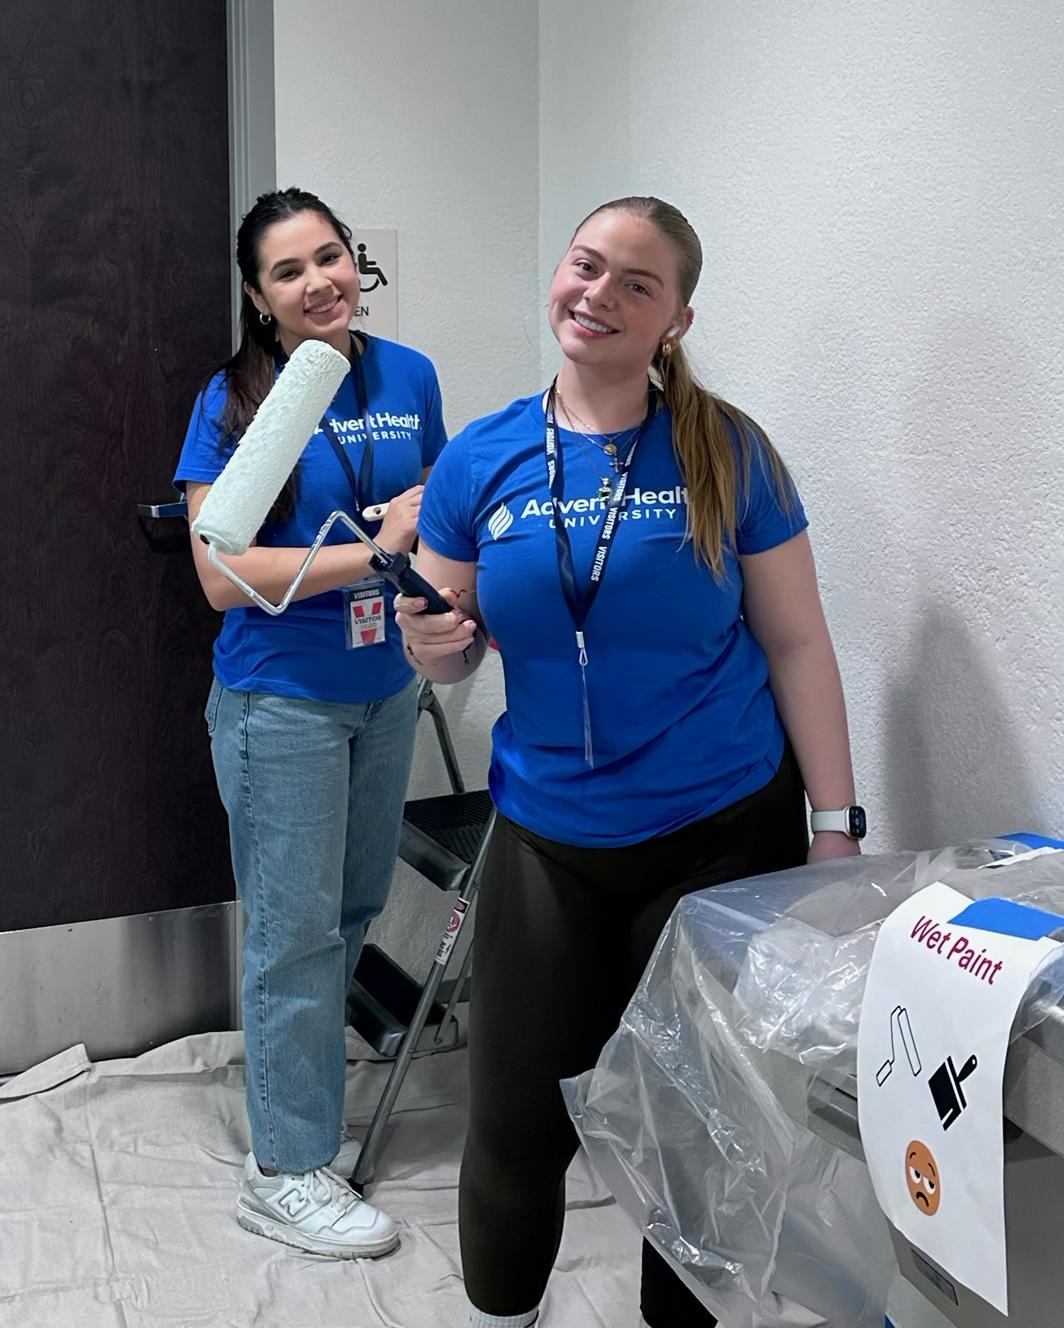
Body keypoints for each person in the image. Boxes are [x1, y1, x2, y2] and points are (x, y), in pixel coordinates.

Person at [395, 196, 864, 1328]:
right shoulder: (481, 456)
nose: (597, 295)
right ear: (557, 274)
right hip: (549, 831)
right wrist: (431, 641)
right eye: (584, 266)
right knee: (512, 1122)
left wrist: (835, 827)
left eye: (635, 284)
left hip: (719, 827)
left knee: (694, 1134)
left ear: (674, 318)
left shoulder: (726, 451)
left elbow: (797, 641)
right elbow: (450, 648)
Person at [174, 187, 447, 1259]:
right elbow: (220, 573)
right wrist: (372, 552)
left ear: (355, 262)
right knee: (292, 935)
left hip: (380, 690)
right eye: (287, 271)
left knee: (353, 905)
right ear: (258, 296)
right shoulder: (234, 399)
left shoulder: (409, 375)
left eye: (328, 256)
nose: (316, 281)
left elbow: (436, 511)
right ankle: (285, 1166)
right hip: (277, 701)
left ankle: (304, 1088)